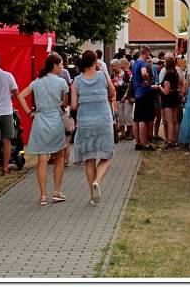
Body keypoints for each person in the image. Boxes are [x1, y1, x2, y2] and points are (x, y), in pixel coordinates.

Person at [17, 53, 69, 205]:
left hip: (40, 120)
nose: (62, 67)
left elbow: (20, 96)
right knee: (59, 156)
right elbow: (64, 105)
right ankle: (57, 191)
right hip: (55, 121)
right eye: (61, 65)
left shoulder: (37, 82)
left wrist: (28, 112)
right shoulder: (62, 83)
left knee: (42, 159)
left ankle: (43, 195)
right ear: (54, 66)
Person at [70, 49, 116, 205]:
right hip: (103, 120)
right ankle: (97, 181)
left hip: (85, 122)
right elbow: (112, 92)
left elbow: (74, 105)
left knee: (90, 160)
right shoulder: (103, 75)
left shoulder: (76, 81)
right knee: (106, 157)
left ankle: (92, 195)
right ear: (95, 61)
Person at [132, 45, 160, 150]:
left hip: (137, 93)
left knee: (137, 119)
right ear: (146, 52)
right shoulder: (143, 63)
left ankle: (138, 143)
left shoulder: (135, 63)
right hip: (144, 93)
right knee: (144, 119)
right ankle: (145, 144)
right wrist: (148, 81)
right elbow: (144, 73)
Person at [160, 55, 183, 147]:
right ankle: (176, 139)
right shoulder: (176, 73)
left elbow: (166, 91)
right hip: (175, 97)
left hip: (168, 99)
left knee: (169, 121)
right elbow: (180, 84)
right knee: (175, 120)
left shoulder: (168, 76)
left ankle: (170, 140)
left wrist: (159, 87)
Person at [118, 58, 133, 138]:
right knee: (121, 116)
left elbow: (129, 86)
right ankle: (123, 133)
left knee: (127, 115)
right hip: (121, 97)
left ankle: (131, 133)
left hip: (127, 97)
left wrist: (125, 96)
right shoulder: (121, 73)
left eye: (120, 64)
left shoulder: (128, 73)